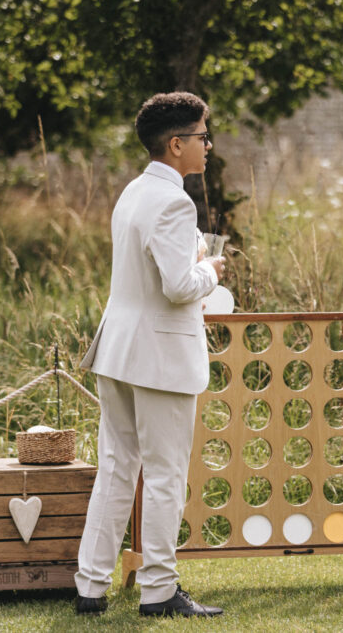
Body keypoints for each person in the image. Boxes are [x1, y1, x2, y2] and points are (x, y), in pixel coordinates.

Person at [74, 91, 225, 618]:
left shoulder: (134, 192)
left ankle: (90, 586)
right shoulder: (176, 200)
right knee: (165, 476)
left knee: (116, 468)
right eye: (204, 137)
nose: (209, 146)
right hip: (159, 358)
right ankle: (159, 591)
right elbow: (180, 288)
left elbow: (149, 269)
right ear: (177, 143)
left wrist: (192, 256)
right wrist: (212, 271)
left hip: (118, 350)